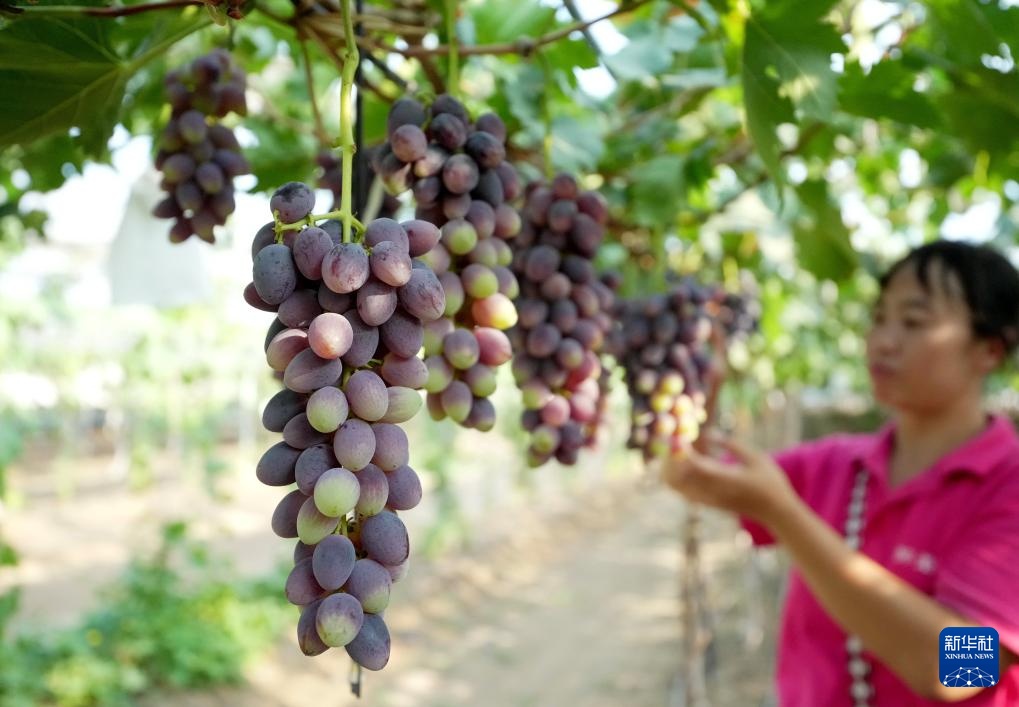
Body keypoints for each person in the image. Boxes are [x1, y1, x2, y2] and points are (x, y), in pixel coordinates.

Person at [664, 240, 1019, 706]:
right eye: (879, 319)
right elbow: (695, 476)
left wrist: (785, 515)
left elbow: (957, 670)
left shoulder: (1008, 487)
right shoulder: (835, 465)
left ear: (989, 350)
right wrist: (697, 391)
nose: (883, 340)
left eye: (913, 322)